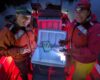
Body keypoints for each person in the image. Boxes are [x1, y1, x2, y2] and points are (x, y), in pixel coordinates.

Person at [59, 0, 100, 80]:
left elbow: (92, 51)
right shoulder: (75, 22)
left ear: (88, 12)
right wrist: (65, 41)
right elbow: (71, 33)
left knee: (77, 77)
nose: (78, 14)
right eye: (77, 11)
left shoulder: (96, 28)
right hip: (73, 55)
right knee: (69, 68)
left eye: (82, 11)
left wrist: (72, 51)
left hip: (84, 62)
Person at [0, 7, 36, 80]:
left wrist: (35, 43)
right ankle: (24, 77)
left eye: (29, 18)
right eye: (24, 17)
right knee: (23, 71)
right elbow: (2, 51)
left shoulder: (28, 25)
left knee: (28, 66)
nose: (27, 20)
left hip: (29, 55)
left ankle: (29, 70)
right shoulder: (7, 31)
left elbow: (31, 36)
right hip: (19, 59)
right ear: (17, 16)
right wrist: (19, 51)